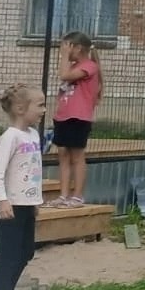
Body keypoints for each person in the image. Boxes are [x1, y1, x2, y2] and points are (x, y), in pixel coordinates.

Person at [0, 83, 45, 290]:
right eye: (40, 105)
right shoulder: (10, 137)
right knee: (9, 257)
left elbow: (33, 172)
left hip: (26, 205)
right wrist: (2, 200)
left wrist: (35, 202)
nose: (44, 109)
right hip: (9, 207)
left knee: (26, 251)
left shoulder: (32, 135)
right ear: (21, 108)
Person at [52, 31, 101, 207]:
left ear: (78, 48)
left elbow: (64, 76)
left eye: (67, 46)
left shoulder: (89, 66)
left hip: (79, 117)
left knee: (77, 156)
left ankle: (77, 196)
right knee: (63, 155)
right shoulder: (72, 67)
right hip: (63, 116)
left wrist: (65, 56)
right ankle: (63, 195)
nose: (63, 50)